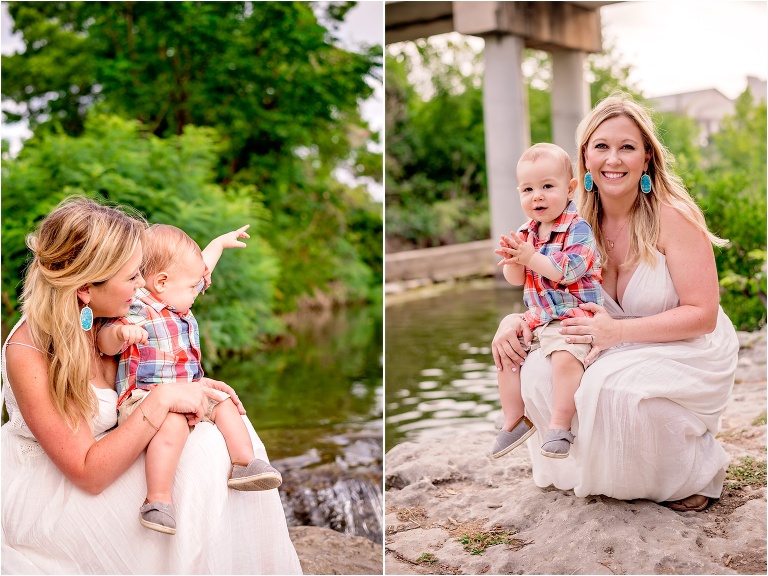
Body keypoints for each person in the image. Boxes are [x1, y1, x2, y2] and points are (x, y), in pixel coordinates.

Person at [1, 196, 302, 573]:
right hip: (59, 489)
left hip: (115, 454)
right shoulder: (28, 351)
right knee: (202, 460)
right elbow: (86, 472)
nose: (143, 285)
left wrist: (190, 386)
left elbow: (150, 372)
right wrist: (161, 400)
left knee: (218, 432)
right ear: (85, 290)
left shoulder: (110, 317)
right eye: (132, 277)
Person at [492, 92, 739, 513]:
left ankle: (684, 475)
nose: (614, 159)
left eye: (627, 147)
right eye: (601, 146)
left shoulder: (672, 216)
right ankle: (598, 471)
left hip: (680, 342)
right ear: (585, 158)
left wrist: (618, 331)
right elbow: (542, 286)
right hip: (602, 339)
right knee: (536, 370)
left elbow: (704, 315)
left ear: (647, 158)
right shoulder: (570, 222)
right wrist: (512, 319)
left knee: (612, 389)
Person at [96, 223, 282, 535]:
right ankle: (158, 500)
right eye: (192, 288)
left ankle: (244, 464)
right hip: (146, 397)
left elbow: (197, 270)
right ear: (162, 282)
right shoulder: (137, 304)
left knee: (224, 404)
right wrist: (119, 334)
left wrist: (219, 244)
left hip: (190, 390)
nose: (197, 292)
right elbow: (103, 341)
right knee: (173, 425)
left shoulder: (175, 293)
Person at [491, 143, 602, 460]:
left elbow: (564, 272)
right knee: (506, 353)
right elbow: (517, 280)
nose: (536, 196)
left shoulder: (578, 228)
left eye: (547, 186)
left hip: (573, 315)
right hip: (539, 316)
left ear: (569, 189)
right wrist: (514, 260)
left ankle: (560, 425)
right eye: (527, 189)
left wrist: (530, 256)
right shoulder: (525, 232)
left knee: (565, 355)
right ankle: (514, 419)